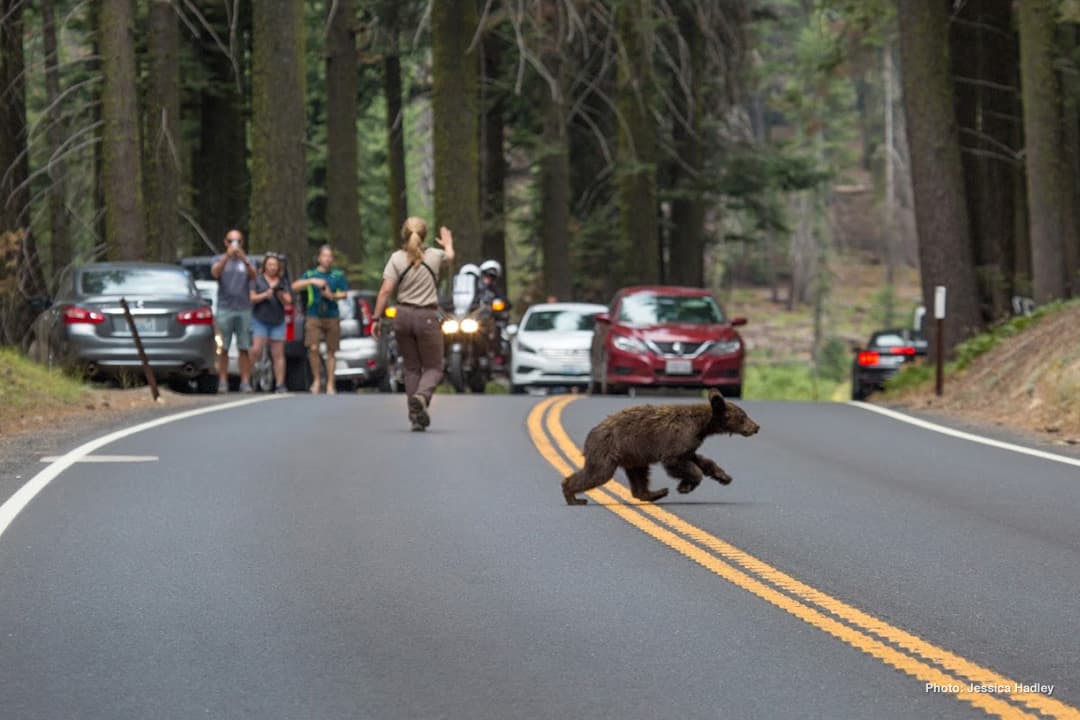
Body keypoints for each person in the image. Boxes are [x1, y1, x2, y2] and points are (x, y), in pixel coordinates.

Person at [371, 217, 455, 431]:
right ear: (425, 236)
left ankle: (416, 418)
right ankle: (422, 396)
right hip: (427, 317)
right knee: (435, 366)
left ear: (403, 235)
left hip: (402, 316)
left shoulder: (396, 259)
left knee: (411, 368)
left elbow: (386, 290)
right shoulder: (435, 256)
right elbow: (451, 257)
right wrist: (448, 244)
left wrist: (376, 318)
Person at [292, 245, 348, 394]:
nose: (327, 259)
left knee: (331, 351)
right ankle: (316, 380)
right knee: (313, 348)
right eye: (324, 256)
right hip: (313, 315)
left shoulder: (337, 275)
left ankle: (330, 383)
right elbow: (295, 286)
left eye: (330, 256)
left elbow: (344, 294)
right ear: (319, 258)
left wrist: (332, 296)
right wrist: (312, 282)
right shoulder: (311, 274)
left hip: (332, 315)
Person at [211, 229, 256, 393]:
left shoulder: (248, 260)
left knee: (244, 347)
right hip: (225, 308)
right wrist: (227, 256)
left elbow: (253, 276)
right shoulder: (218, 259)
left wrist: (243, 257)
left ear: (242, 243)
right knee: (223, 347)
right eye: (230, 241)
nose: (233, 244)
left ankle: (245, 381)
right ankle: (223, 381)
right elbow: (215, 273)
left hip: (243, 309)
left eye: (237, 241)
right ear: (225, 243)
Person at [249, 254, 292, 393]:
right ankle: (248, 378)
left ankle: (280, 383)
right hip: (260, 319)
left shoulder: (283, 281)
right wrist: (264, 295)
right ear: (265, 266)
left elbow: (289, 300)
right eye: (269, 265)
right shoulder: (257, 280)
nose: (272, 267)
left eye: (275, 265)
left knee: (278, 354)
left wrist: (280, 294)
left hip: (277, 320)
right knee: (256, 350)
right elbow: (252, 298)